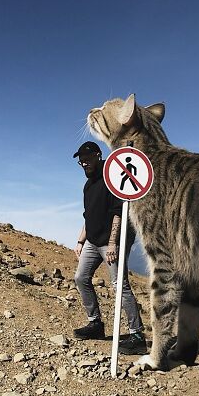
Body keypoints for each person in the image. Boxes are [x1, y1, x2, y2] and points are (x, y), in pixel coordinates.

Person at [71, 141, 146, 354]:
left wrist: (113, 243)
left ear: (98, 155)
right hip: (93, 242)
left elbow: (118, 211)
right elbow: (89, 216)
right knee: (80, 278)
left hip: (110, 243)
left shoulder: (111, 177)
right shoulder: (88, 185)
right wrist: (80, 240)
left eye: (87, 158)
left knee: (119, 285)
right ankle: (95, 324)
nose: (84, 163)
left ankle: (137, 335)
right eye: (81, 161)